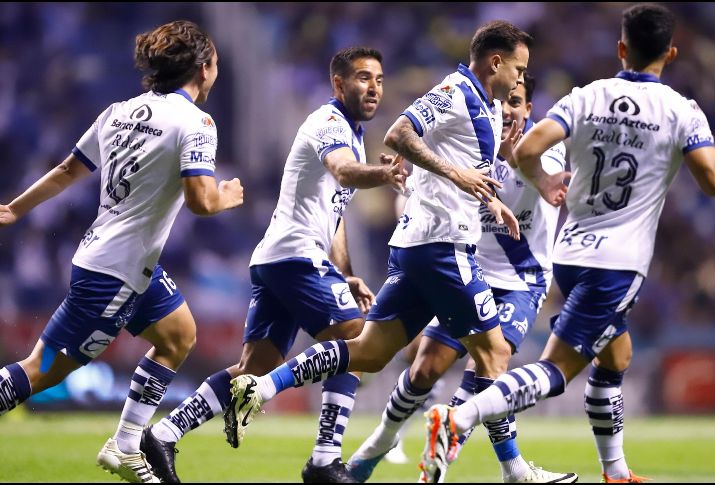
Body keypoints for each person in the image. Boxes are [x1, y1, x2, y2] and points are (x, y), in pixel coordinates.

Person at [420, 4, 715, 483]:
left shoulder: (586, 95)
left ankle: (615, 471)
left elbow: (529, 148)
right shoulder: (682, 110)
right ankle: (458, 418)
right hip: (616, 264)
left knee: (616, 356)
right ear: (672, 53)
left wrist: (547, 180)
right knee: (555, 371)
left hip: (570, 253)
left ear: (621, 49)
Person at [226, 20, 533, 483]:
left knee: (367, 352)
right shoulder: (456, 91)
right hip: (441, 245)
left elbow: (467, 173)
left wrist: (490, 199)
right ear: (496, 62)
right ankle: (515, 473)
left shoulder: (488, 109)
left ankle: (264, 385)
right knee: (493, 353)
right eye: (518, 68)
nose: (519, 79)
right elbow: (399, 133)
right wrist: (458, 175)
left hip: (423, 246)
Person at [141, 46, 406, 484]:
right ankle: (324, 459)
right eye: (362, 77)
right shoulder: (328, 123)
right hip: (295, 256)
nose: (373, 87)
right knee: (357, 339)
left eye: (378, 78)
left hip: (278, 258)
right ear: (338, 84)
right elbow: (343, 172)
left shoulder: (354, 134)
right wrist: (384, 174)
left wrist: (346, 273)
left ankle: (164, 434)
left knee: (253, 367)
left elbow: (333, 215)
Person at [0, 20, 244, 484]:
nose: (216, 71)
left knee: (178, 335)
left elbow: (68, 169)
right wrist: (226, 196)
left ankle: (126, 445)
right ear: (203, 68)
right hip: (116, 275)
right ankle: (125, 444)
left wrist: (15, 209)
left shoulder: (119, 111)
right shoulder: (198, 122)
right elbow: (200, 200)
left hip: (116, 261)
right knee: (39, 372)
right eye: (214, 62)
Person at [347, 73, 577, 484]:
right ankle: (378, 446)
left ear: (529, 110)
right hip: (470, 270)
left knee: (491, 361)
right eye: (503, 100)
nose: (507, 108)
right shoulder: (475, 142)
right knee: (423, 370)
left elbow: (540, 182)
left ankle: (473, 467)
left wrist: (513, 158)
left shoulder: (546, 148)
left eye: (517, 101)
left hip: (522, 280)